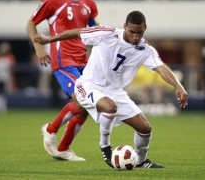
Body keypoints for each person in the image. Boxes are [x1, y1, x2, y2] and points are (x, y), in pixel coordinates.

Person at [34, 10, 189, 168]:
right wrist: (49, 39)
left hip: (115, 92)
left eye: (140, 33)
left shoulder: (145, 50)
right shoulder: (106, 34)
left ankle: (142, 161)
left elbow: (161, 68)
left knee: (145, 128)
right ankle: (105, 146)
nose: (136, 37)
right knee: (109, 107)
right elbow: (78, 32)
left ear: (145, 28)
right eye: (132, 32)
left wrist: (179, 86)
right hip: (88, 85)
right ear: (124, 27)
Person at [27, 0, 99, 161]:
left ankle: (63, 149)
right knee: (81, 101)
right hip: (62, 59)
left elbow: (95, 30)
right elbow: (31, 23)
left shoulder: (88, 3)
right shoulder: (52, 1)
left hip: (83, 60)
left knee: (88, 106)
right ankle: (50, 130)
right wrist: (39, 48)